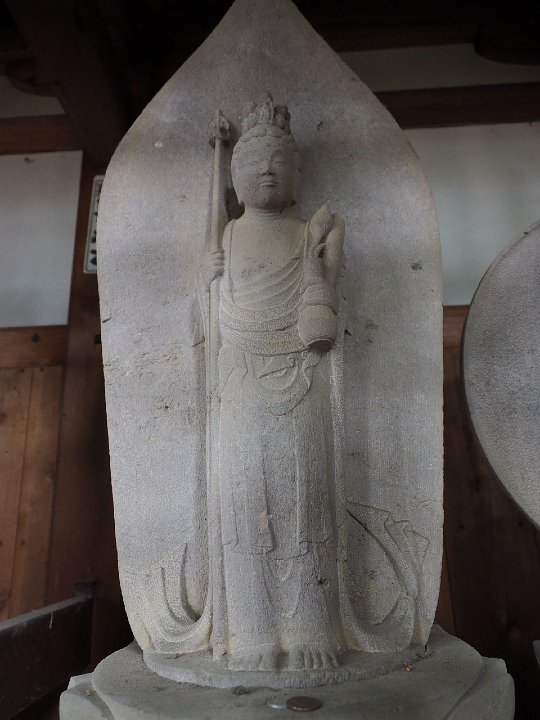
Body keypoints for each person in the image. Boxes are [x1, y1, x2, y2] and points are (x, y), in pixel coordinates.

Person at [202, 93, 345, 670]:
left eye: (279, 162)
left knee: (303, 503)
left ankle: (312, 626)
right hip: (241, 380)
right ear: (236, 178)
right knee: (244, 505)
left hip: (301, 378)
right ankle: (254, 632)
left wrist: (318, 268)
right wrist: (206, 287)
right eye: (254, 162)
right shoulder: (227, 238)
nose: (266, 171)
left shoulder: (314, 231)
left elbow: (324, 320)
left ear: (298, 175)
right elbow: (204, 326)